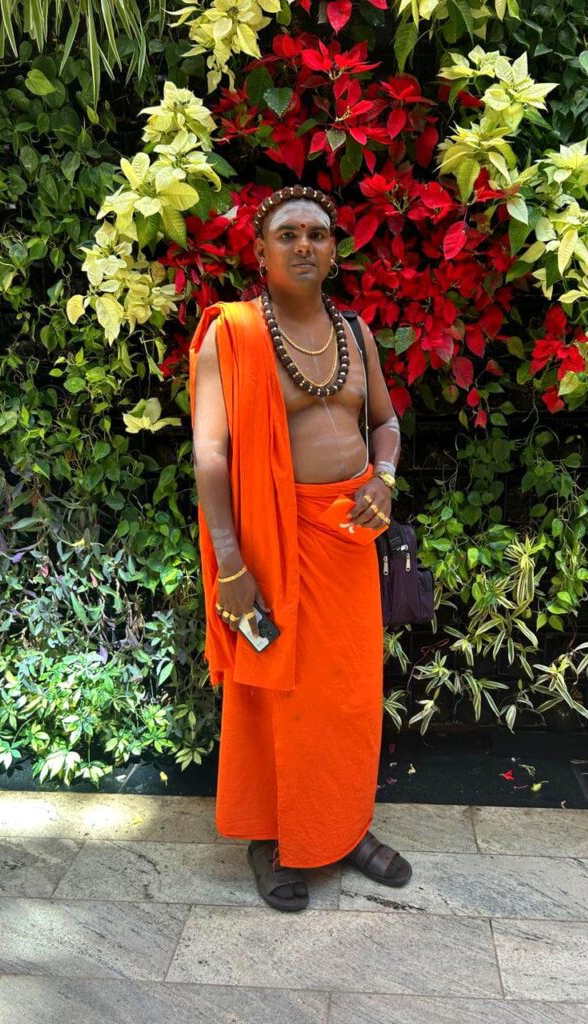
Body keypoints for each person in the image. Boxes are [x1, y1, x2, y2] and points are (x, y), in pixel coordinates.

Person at [189, 184, 413, 912]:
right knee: (274, 696)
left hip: (348, 538)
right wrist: (230, 565)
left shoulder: (355, 333)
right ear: (261, 252)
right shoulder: (232, 335)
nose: (304, 245)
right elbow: (211, 456)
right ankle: (271, 839)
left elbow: (386, 424)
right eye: (288, 234)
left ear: (335, 251)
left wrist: (383, 476)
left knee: (348, 695)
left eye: (317, 234)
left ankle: (344, 829)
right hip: (269, 542)